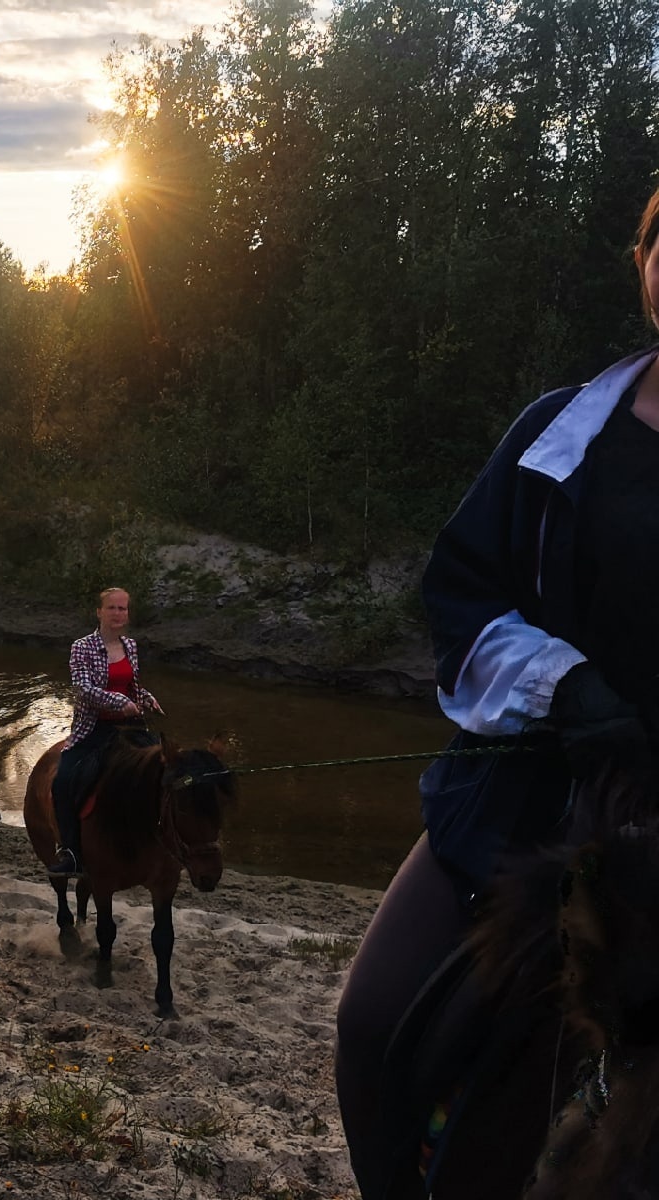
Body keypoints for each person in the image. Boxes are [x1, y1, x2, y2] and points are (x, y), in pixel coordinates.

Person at [333, 182, 659, 1200]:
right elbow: (461, 594)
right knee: (374, 1019)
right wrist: (566, 690)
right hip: (530, 802)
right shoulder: (559, 430)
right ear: (642, 262)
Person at [47, 587, 164, 879]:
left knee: (164, 770)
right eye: (111, 608)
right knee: (63, 781)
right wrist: (120, 702)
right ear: (99, 612)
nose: (117, 614)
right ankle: (72, 851)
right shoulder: (82, 647)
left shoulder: (131, 646)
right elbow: (84, 691)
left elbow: (131, 684)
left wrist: (146, 697)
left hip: (131, 728)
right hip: (94, 729)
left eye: (122, 609)